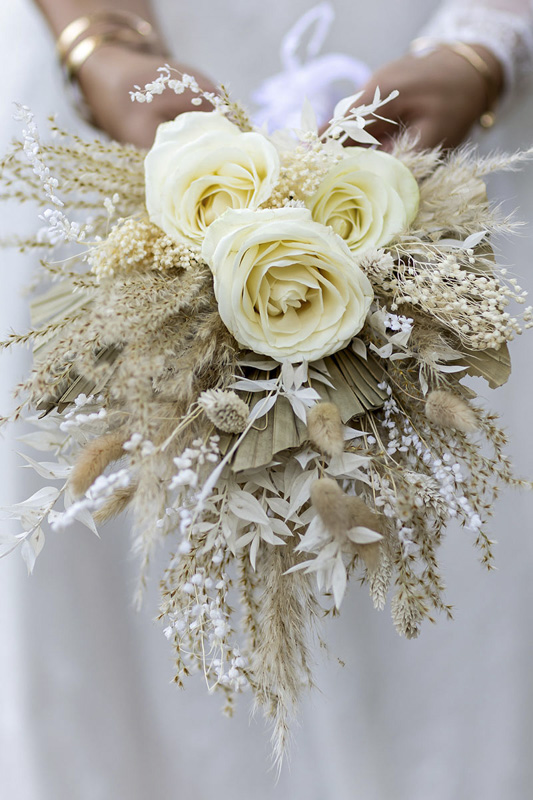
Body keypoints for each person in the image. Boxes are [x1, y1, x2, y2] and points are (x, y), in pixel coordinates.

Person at [0, 1, 532, 798]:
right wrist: (96, 37)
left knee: (442, 595)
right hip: (109, 109)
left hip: (439, 107)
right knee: (120, 614)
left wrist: (488, 41)